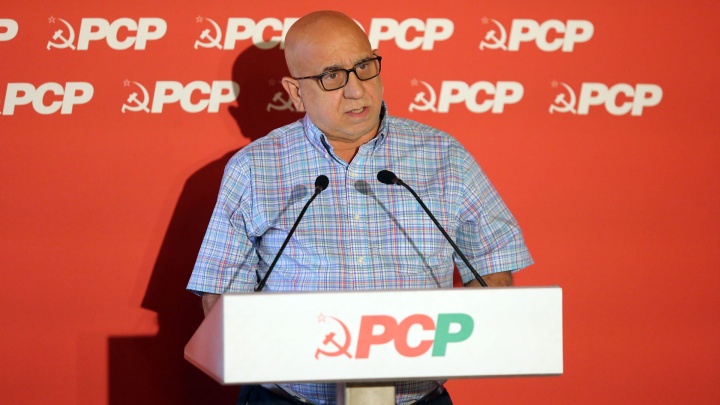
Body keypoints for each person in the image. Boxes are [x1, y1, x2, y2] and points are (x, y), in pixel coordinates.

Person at [188, 10, 533, 405]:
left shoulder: (444, 156)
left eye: (364, 67)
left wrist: (460, 335)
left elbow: (492, 269)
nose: (356, 91)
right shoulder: (255, 166)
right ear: (295, 91)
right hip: (289, 398)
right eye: (331, 76)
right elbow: (221, 296)